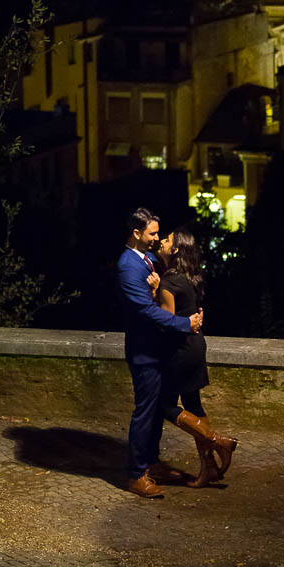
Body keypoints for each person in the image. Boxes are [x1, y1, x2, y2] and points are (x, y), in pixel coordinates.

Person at [117, 207, 203, 498]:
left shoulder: (149, 259)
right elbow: (146, 311)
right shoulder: (129, 266)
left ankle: (151, 464)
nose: (156, 238)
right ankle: (136, 474)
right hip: (145, 352)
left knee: (154, 413)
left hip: (158, 350)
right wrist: (184, 323)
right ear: (137, 234)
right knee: (144, 413)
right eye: (152, 233)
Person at [155, 228, 238, 488]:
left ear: (176, 250)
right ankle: (208, 468)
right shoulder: (189, 277)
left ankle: (218, 441)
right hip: (195, 345)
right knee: (193, 405)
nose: (161, 241)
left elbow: (166, 323)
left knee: (165, 406)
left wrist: (155, 292)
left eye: (167, 240)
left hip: (180, 349)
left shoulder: (168, 283)